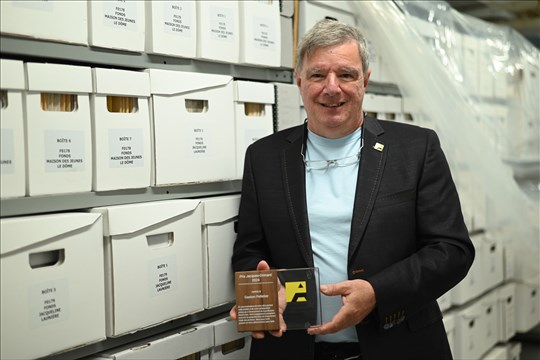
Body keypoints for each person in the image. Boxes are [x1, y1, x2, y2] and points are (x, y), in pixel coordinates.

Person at [230, 19, 474, 360]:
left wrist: (377, 292)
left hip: (399, 347)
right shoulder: (264, 157)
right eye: (317, 75)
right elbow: (248, 250)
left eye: (346, 74)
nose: (332, 88)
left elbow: (452, 250)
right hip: (294, 350)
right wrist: (263, 292)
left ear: (365, 81)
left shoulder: (416, 148)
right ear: (299, 81)